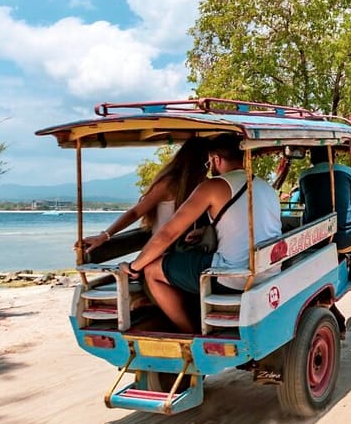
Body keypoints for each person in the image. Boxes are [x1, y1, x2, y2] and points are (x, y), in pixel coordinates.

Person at [118, 134, 282, 333]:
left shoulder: (213, 186)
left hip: (233, 278)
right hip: (269, 272)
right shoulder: (267, 188)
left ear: (216, 159)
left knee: (152, 270)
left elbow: (168, 233)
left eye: (209, 161)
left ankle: (189, 332)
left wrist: (135, 266)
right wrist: (205, 231)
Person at [82, 138, 210, 253]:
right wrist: (104, 236)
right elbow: (136, 212)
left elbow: (135, 212)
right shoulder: (170, 184)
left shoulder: (203, 184)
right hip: (168, 250)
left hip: (186, 249)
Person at [298, 146, 351, 283]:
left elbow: (303, 201)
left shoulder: (304, 176)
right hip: (344, 240)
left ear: (311, 156)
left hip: (314, 240)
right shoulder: (346, 172)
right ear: (333, 155)